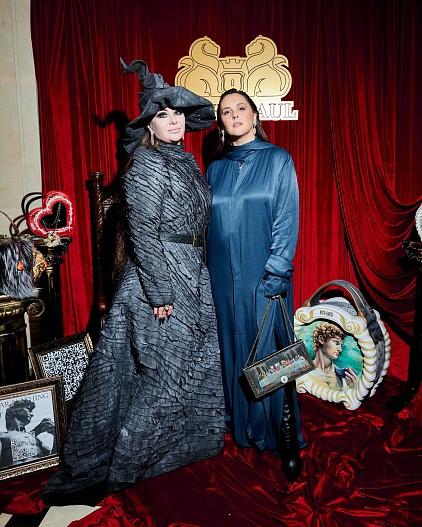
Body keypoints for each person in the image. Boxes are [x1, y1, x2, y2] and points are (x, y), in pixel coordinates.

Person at [43, 59, 226, 506]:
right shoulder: (145, 162)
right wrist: (160, 292)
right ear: (149, 124)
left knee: (190, 367)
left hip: (191, 270)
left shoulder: (183, 161)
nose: (174, 120)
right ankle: (128, 462)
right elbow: (143, 232)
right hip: (160, 277)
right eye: (163, 114)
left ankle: (176, 449)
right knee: (162, 374)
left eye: (177, 112)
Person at [206, 88, 305, 483]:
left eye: (241, 108)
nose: (234, 116)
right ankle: (241, 423)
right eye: (226, 111)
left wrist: (276, 273)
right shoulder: (215, 168)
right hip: (220, 277)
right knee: (232, 349)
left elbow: (286, 218)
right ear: (221, 122)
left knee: (271, 353)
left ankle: (283, 434)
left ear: (254, 114)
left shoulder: (278, 159)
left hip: (262, 274)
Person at [0, 399, 56, 468]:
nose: (32, 414)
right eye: (29, 410)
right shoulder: (2, 436)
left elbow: (52, 461)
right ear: (15, 411)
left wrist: (55, 433)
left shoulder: (37, 441)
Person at [307, 321, 358, 389]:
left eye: (340, 344)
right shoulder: (304, 371)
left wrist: (354, 387)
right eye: (336, 343)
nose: (340, 349)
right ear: (321, 340)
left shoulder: (346, 377)